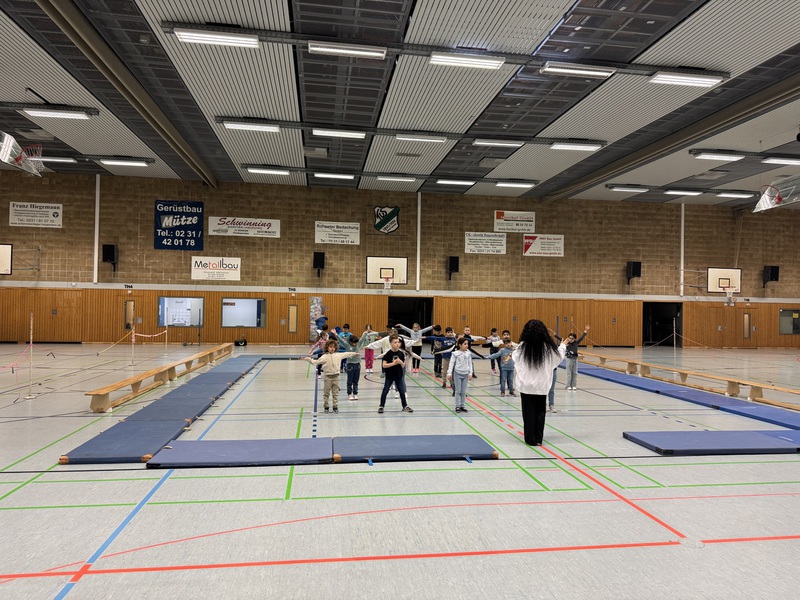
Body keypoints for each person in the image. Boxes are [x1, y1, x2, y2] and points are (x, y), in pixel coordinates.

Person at [512, 319, 567, 446]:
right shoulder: (548, 348)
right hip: (541, 386)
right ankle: (538, 438)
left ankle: (530, 439)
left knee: (528, 414)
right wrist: (563, 346)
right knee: (540, 413)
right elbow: (558, 358)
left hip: (526, 386)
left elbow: (515, 358)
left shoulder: (523, 346)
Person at [303, 340, 359, 413]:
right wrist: (308, 359)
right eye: (330, 347)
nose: (332, 348)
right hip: (328, 377)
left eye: (334, 347)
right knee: (326, 393)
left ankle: (335, 407)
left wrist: (354, 353)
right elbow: (315, 362)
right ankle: (326, 406)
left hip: (336, 377)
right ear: (327, 347)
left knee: (335, 393)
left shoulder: (338, 355)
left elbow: (346, 354)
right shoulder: (324, 357)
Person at [378, 335, 413, 414]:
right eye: (395, 342)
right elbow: (384, 365)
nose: (397, 344)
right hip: (389, 376)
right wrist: (393, 363)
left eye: (398, 342)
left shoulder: (401, 353)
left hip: (398, 375)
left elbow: (403, 365)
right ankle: (381, 406)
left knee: (402, 391)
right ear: (390, 343)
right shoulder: (388, 354)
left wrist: (401, 362)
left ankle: (405, 406)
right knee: (385, 390)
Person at [331, 330, 361, 400]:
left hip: (357, 365)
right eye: (354, 343)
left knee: (356, 381)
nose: (356, 344)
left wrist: (366, 333)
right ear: (351, 342)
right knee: (350, 381)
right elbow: (341, 341)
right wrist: (336, 334)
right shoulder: (347, 346)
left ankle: (355, 393)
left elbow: (362, 338)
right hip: (350, 365)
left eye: (357, 343)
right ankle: (349, 394)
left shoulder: (358, 345)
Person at [557, 325, 590, 390]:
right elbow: (560, 339)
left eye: (572, 338)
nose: (570, 339)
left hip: (575, 359)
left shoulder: (576, 343)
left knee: (574, 373)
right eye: (569, 338)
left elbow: (581, 337)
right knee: (569, 373)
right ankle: (568, 385)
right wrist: (555, 335)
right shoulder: (567, 343)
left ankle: (573, 385)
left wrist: (585, 331)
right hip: (569, 359)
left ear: (574, 339)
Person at [447, 337, 473, 413]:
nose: (467, 345)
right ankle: (457, 406)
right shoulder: (455, 353)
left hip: (465, 374)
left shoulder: (468, 354)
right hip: (457, 374)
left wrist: (470, 373)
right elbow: (451, 363)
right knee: (458, 391)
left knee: (463, 391)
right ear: (460, 345)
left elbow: (470, 363)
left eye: (467, 344)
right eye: (465, 344)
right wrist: (449, 373)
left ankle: (462, 405)